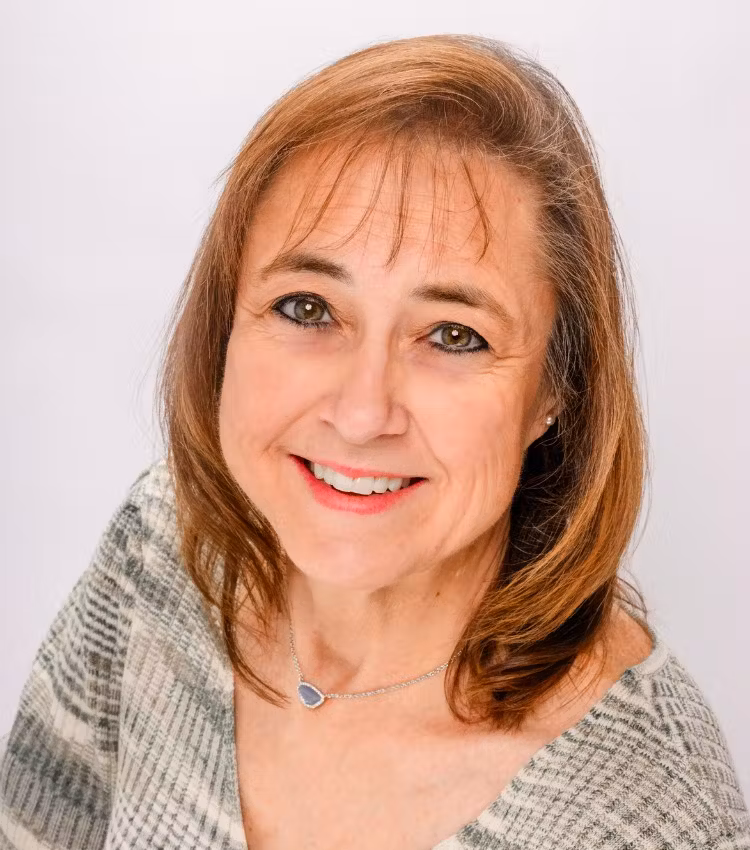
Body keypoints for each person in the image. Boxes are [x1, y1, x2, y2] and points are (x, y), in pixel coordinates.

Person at [0, 33, 747, 850]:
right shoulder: (163, 553)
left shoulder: (657, 818)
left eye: (454, 335)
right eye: (308, 309)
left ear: (555, 393)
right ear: (225, 327)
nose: (361, 414)